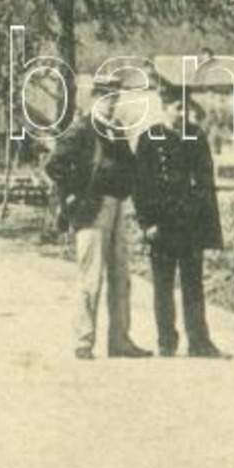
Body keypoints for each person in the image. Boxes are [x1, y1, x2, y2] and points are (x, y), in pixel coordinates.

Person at [46, 76, 151, 361]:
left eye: (115, 96)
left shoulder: (116, 130)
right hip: (91, 210)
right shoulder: (81, 128)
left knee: (121, 277)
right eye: (106, 96)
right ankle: (83, 341)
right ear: (94, 98)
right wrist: (77, 192)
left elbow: (130, 166)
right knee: (90, 279)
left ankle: (120, 341)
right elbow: (55, 165)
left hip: (116, 206)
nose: (112, 101)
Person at [132, 85, 225, 358]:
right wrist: (147, 223)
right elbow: (141, 186)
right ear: (164, 109)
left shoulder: (196, 137)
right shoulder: (149, 139)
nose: (182, 113)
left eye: (186, 108)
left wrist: (206, 227)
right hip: (161, 226)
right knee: (162, 286)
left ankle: (198, 341)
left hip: (190, 225)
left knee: (193, 284)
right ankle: (165, 341)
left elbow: (206, 184)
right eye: (177, 107)